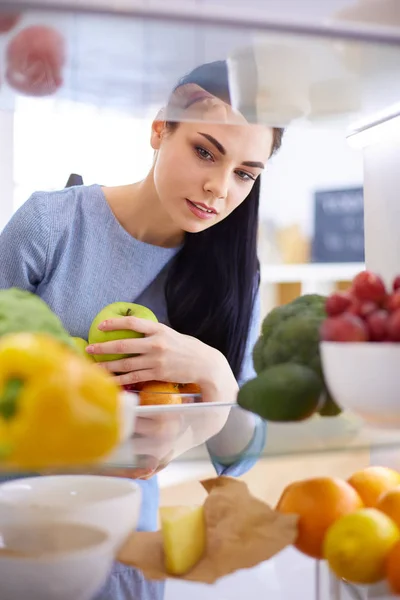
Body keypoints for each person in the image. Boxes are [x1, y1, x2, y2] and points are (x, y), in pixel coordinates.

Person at [0, 60, 283, 599]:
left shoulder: (231, 272)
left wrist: (217, 377)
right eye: (205, 151)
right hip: (19, 529)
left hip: (127, 544)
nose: (218, 188)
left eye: (245, 173)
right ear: (160, 129)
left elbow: (239, 453)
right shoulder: (52, 224)